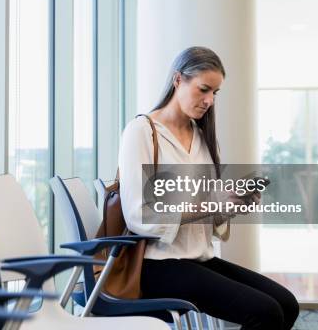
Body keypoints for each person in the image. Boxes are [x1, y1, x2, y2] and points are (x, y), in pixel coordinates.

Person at [118, 47, 299, 330]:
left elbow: (210, 219)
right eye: (203, 89)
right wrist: (211, 206)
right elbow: (139, 216)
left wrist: (231, 206)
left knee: (287, 304)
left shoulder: (203, 139)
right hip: (159, 264)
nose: (209, 101)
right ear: (178, 80)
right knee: (265, 313)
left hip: (200, 258)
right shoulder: (141, 131)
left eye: (215, 93)